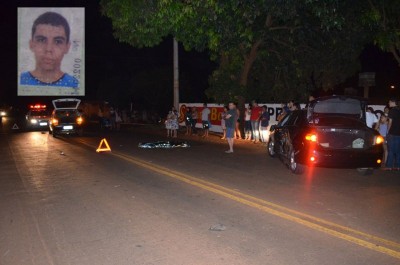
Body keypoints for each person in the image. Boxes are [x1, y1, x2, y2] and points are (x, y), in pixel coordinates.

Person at [20, 11, 79, 88]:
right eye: (41, 40)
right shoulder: (19, 81)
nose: (48, 49)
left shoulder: (75, 85)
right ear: (31, 44)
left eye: (58, 41)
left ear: (67, 47)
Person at [386, 98, 400, 169]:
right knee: (398, 151)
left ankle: (389, 166)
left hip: (392, 133)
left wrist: (388, 132)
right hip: (399, 133)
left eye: (389, 102)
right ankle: (398, 166)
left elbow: (390, 122)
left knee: (391, 150)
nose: (388, 103)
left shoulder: (392, 111)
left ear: (393, 102)